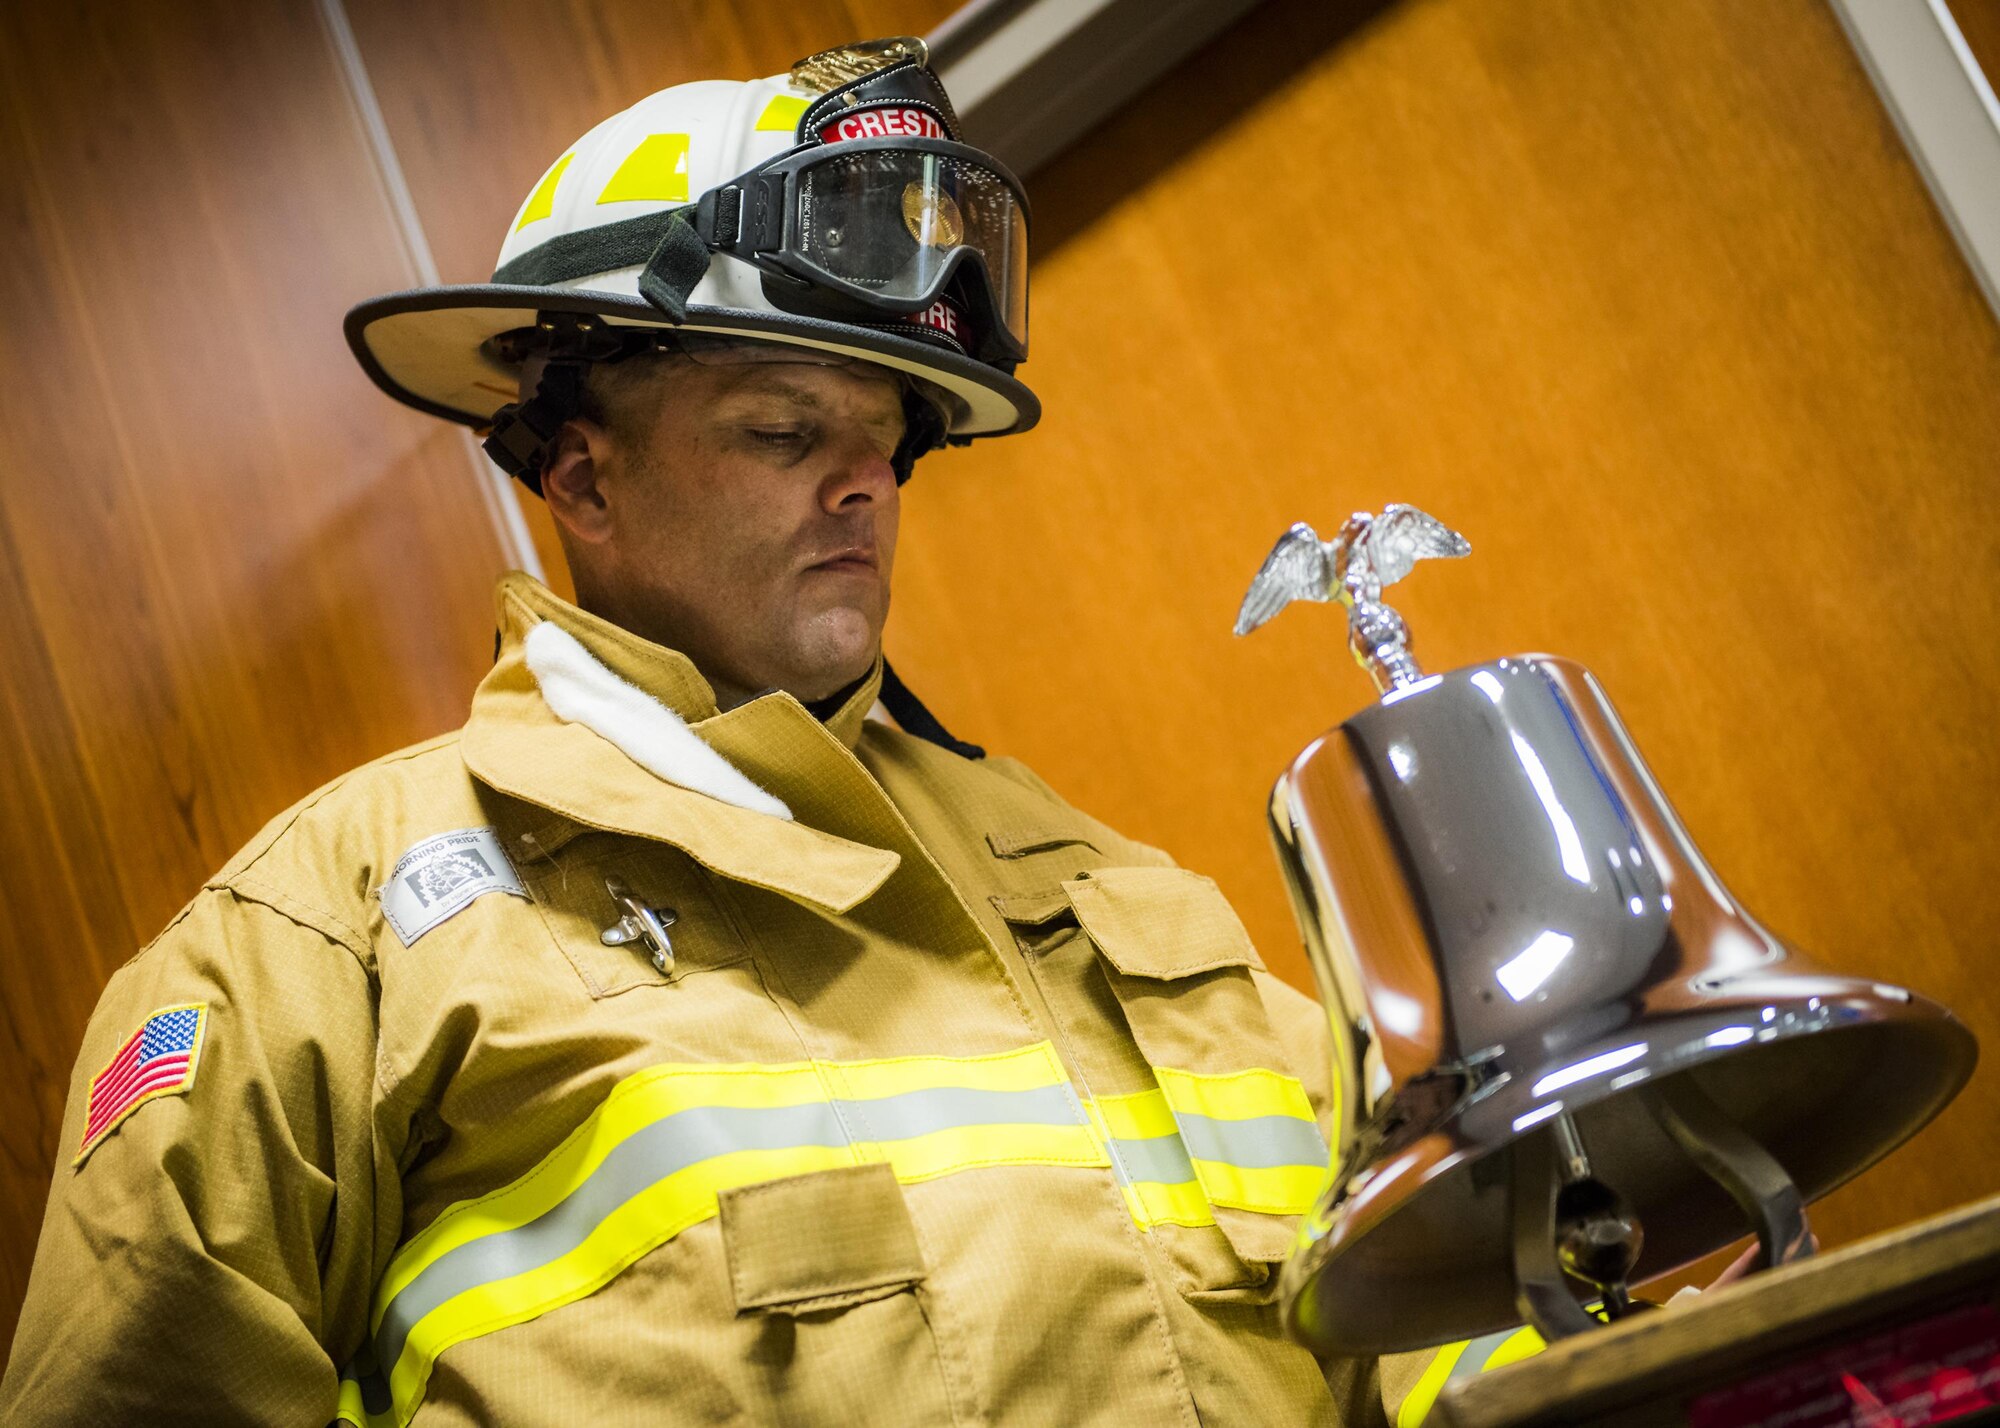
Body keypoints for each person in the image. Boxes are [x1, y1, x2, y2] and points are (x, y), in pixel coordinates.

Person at [0, 38, 1487, 1426]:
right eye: (784, 431)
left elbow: (1442, 1321)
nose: (861, 485)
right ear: (580, 476)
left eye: (890, 442)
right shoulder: (330, 930)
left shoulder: (1116, 894)